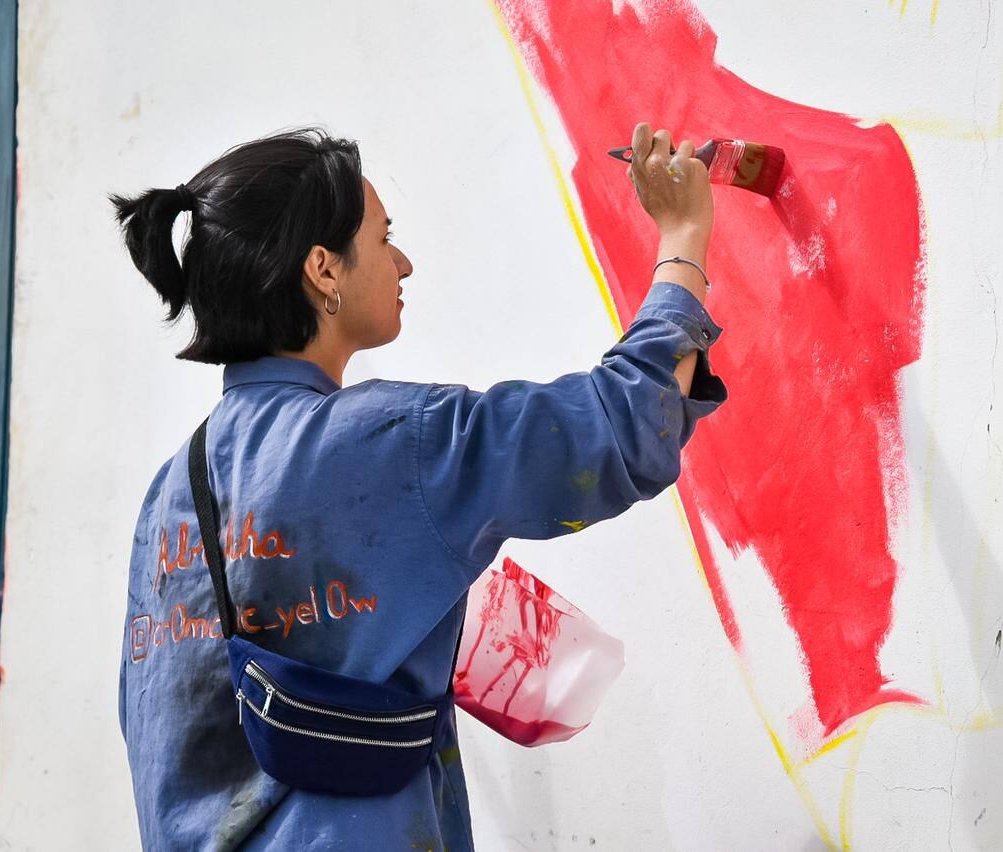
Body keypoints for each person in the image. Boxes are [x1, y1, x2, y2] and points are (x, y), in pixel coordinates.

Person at [111, 122, 725, 850]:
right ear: (323, 270)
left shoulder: (171, 491)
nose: (401, 263)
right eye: (381, 237)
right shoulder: (392, 440)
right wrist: (684, 234)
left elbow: (163, 717)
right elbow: (624, 423)